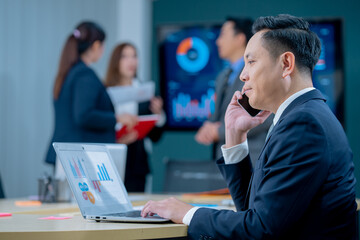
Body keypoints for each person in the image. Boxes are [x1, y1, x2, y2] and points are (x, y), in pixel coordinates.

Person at [141, 14, 357, 239]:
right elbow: (254, 212)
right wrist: (235, 135)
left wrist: (187, 213)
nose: (243, 75)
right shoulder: (302, 115)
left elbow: (260, 228)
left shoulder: (303, 124)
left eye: (251, 62)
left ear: (286, 64)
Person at [45, 22, 137, 167]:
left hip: (68, 154)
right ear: (96, 46)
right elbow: (83, 115)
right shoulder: (85, 76)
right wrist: (118, 118)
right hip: (77, 158)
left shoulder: (68, 73)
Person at [195, 17, 273, 163]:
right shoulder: (223, 76)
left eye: (223, 35)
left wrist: (218, 132)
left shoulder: (259, 72)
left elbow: (265, 115)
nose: (218, 41)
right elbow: (220, 113)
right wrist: (209, 127)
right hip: (223, 158)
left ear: (240, 39)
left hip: (251, 158)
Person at [104, 43, 165, 192]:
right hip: (110, 158)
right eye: (125, 57)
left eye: (134, 56)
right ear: (116, 61)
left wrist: (159, 115)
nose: (131, 61)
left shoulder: (146, 92)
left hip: (137, 162)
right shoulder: (104, 91)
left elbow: (155, 137)